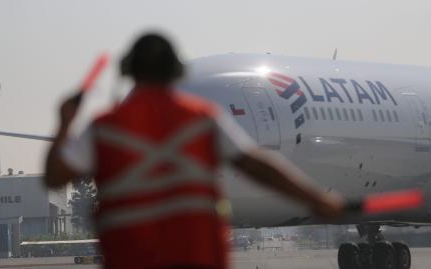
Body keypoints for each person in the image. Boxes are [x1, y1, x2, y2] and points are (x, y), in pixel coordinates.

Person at [44, 33, 344, 269]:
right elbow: (257, 165)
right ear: (176, 72)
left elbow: (55, 177)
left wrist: (64, 124)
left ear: (129, 73)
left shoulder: (106, 126)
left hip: (131, 255)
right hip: (196, 254)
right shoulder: (200, 117)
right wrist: (319, 200)